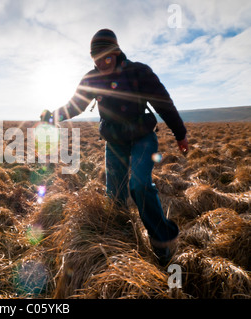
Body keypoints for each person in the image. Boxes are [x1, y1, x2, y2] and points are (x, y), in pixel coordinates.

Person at [40, 29, 189, 266]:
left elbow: (164, 104)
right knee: (115, 198)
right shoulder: (91, 79)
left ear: (117, 52)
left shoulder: (139, 72)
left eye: (106, 57)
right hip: (115, 140)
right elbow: (75, 105)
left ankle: (163, 241)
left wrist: (180, 134)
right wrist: (52, 117)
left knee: (140, 185)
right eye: (96, 60)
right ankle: (120, 242)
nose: (102, 64)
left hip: (143, 137)